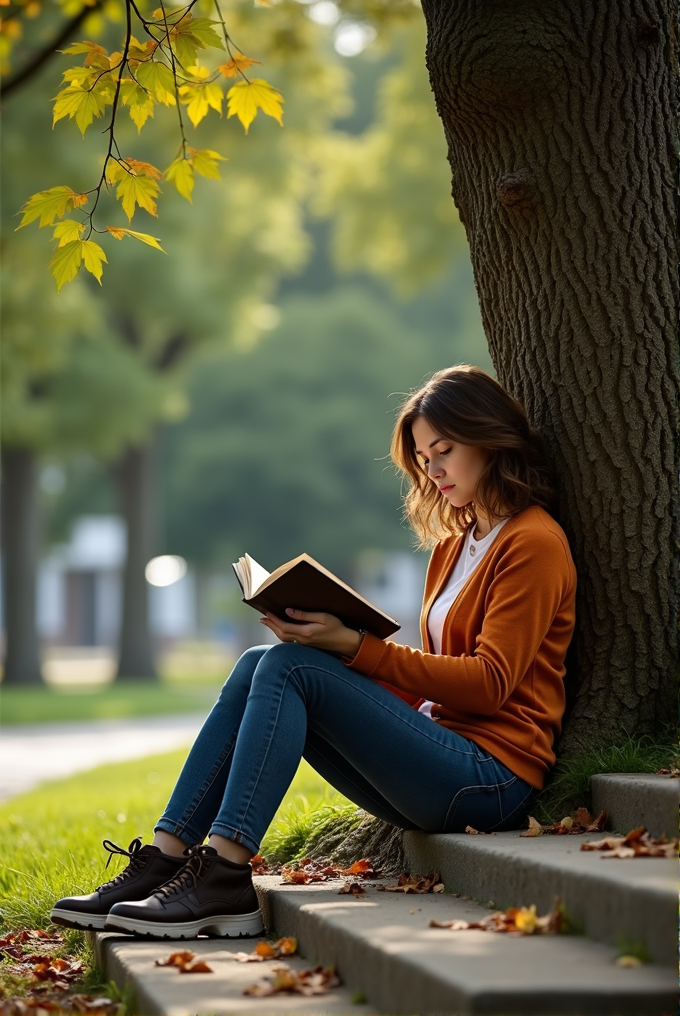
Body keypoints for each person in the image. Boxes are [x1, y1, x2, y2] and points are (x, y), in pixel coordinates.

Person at [50, 364, 577, 940]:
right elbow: (431, 679)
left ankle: (225, 873)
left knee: (289, 667)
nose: (434, 469)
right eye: (425, 457)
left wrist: (353, 647)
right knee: (261, 662)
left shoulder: (534, 542)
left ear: (489, 438)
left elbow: (487, 684)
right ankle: (165, 857)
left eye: (445, 449)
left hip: (490, 779)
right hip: (439, 755)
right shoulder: (457, 546)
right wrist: (333, 646)